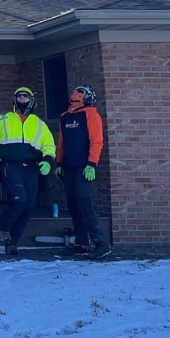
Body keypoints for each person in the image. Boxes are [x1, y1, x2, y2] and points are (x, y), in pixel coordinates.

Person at [0, 87, 56, 256]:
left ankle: (12, 242)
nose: (22, 98)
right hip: (11, 166)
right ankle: (3, 227)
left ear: (32, 100)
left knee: (29, 206)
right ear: (14, 100)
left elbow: (49, 145)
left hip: (31, 167)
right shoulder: (2, 120)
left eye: (26, 95)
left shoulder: (39, 124)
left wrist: (48, 160)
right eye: (19, 96)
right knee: (19, 200)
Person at [55, 85, 111, 259]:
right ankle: (81, 243)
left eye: (79, 95)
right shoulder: (65, 117)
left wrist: (92, 163)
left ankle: (101, 244)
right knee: (73, 207)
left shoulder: (91, 115)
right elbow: (61, 143)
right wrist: (59, 162)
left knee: (85, 206)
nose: (75, 96)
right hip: (68, 167)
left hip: (84, 168)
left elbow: (97, 141)